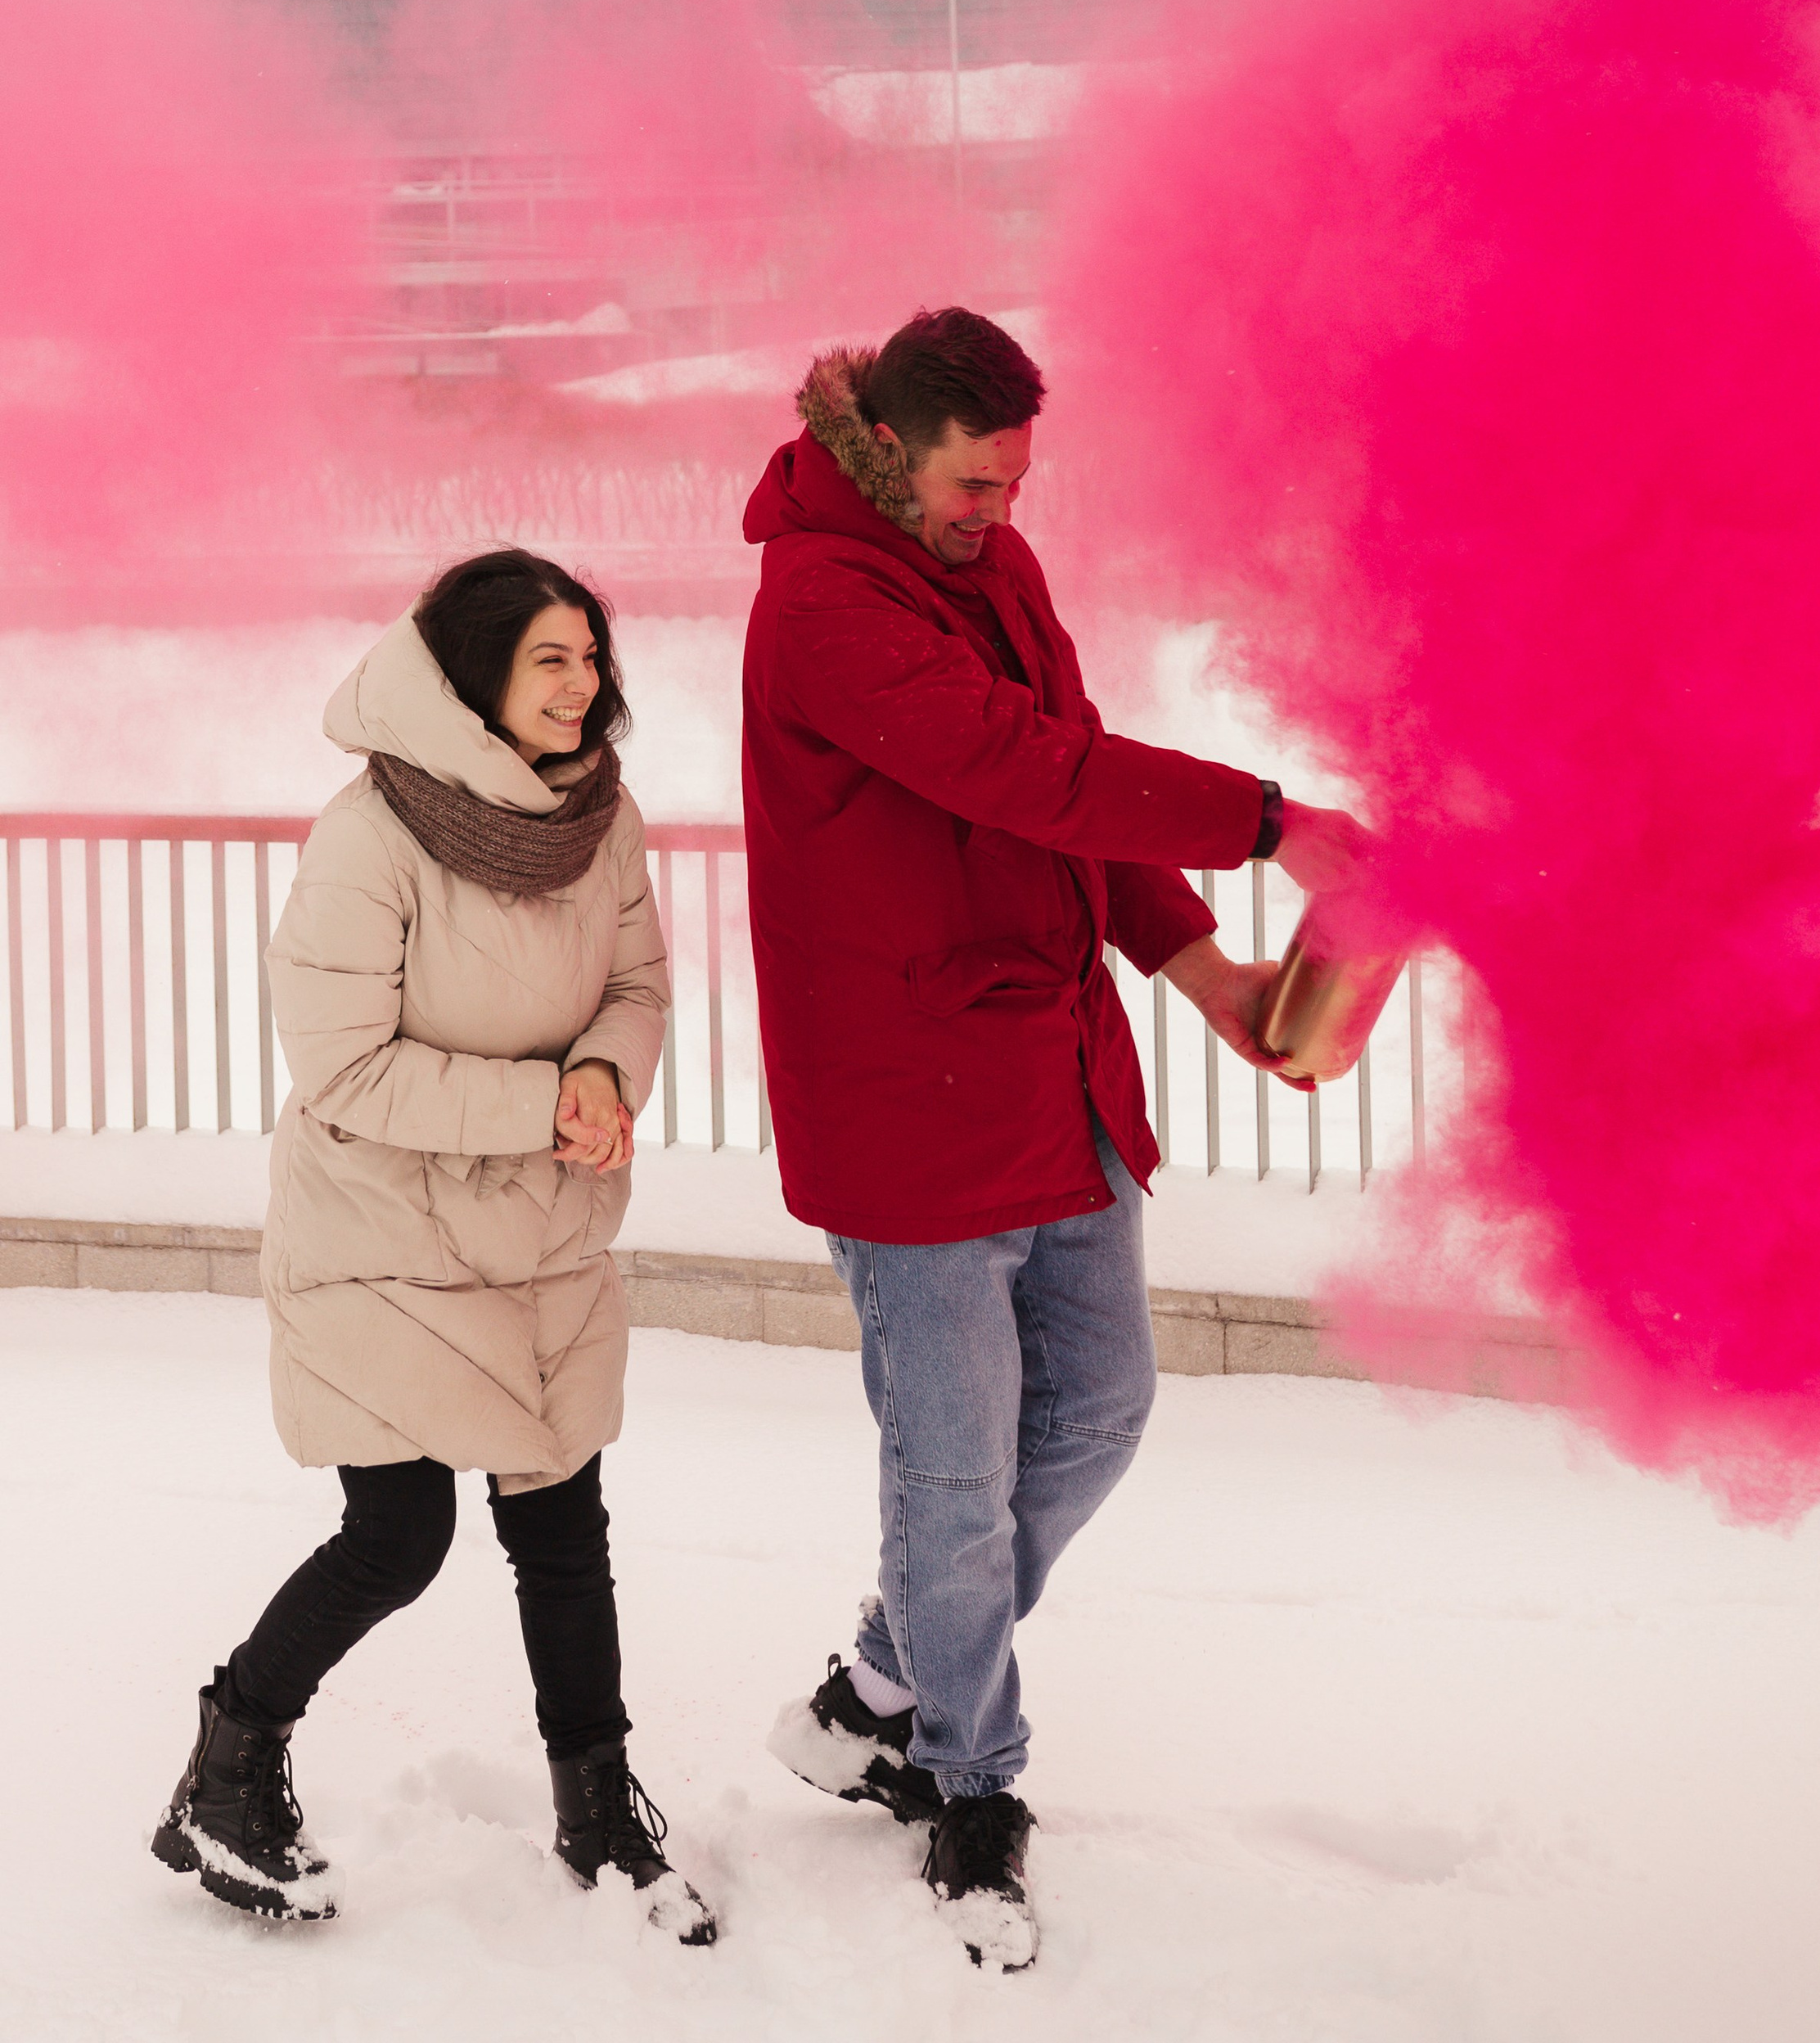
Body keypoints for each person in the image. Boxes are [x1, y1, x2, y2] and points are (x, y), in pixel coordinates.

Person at [749, 308, 1361, 1969]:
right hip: (903, 1106)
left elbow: (1069, 779)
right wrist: (1273, 826)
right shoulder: (819, 603)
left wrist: (1205, 970)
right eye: (971, 480)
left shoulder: (992, 569)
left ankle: (883, 1677)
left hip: (1047, 1074)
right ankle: (967, 1786)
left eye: (1015, 482)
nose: (996, 509)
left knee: (1096, 1408)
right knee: (947, 1475)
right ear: (886, 447)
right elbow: (1015, 769)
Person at [151, 548, 714, 1947]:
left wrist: (607, 1070)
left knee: (561, 1520)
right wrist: (547, 1100)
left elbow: (638, 982)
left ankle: (598, 1808)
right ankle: (229, 1762)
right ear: (474, 677)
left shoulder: (606, 820)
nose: (583, 686)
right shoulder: (371, 832)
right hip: (382, 1232)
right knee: (398, 1533)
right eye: (549, 659)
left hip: (541, 1232)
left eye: (592, 656)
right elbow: (342, 1066)